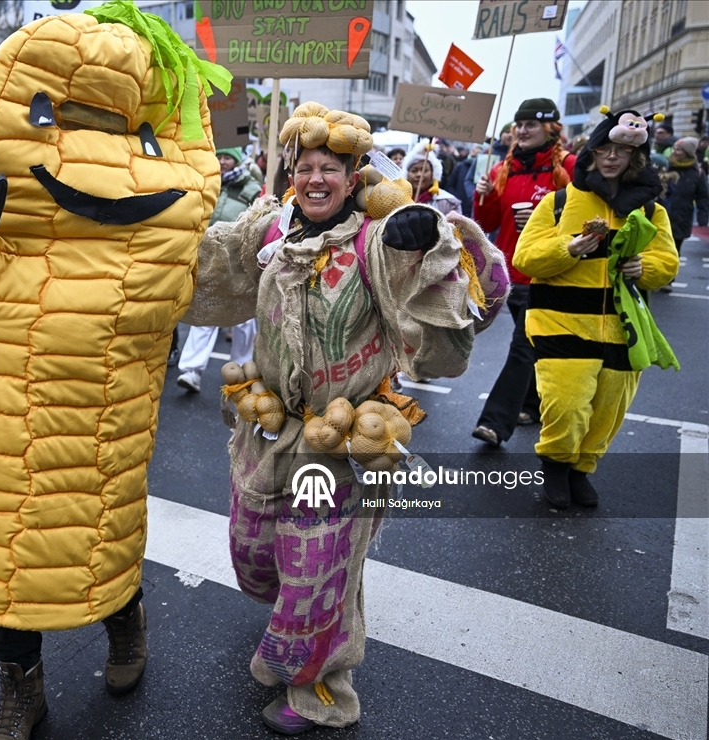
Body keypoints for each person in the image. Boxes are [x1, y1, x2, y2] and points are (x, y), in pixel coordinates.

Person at [0, 8, 230, 739]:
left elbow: (183, 276)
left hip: (103, 422)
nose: (94, 151)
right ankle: (18, 686)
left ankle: (128, 622)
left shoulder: (159, 245)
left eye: (129, 132)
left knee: (103, 537)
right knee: (2, 559)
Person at [184, 102, 507, 734]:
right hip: (267, 427)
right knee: (255, 558)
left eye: (330, 167)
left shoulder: (377, 242)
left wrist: (425, 251)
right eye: (305, 166)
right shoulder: (276, 232)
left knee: (319, 569)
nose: (315, 178)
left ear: (355, 173)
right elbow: (208, 270)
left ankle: (321, 690)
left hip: (343, 447)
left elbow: (445, 343)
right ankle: (297, 623)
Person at [514, 107, 678, 507]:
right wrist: (567, 248)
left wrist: (646, 268)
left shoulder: (651, 210)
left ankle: (582, 468)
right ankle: (555, 466)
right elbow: (524, 258)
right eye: (603, 148)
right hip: (560, 321)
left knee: (608, 409)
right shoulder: (558, 202)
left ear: (634, 158)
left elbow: (667, 262)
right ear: (591, 152)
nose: (610, 157)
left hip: (622, 327)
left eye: (620, 151)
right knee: (566, 405)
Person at [471, 98, 576, 447]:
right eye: (520, 124)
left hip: (548, 274)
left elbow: (585, 219)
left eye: (532, 124)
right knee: (533, 344)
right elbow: (486, 224)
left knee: (524, 345)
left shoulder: (570, 167)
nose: (523, 130)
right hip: (511, 275)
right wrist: (482, 197)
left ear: (551, 129)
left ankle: (495, 422)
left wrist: (547, 221)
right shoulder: (503, 168)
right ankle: (531, 405)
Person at [176, 146, 261, 393]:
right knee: (207, 311)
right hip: (209, 258)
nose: (223, 162)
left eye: (228, 158)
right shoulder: (206, 181)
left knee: (243, 318)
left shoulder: (251, 188)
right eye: (220, 157)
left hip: (240, 261)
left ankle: (241, 370)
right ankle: (191, 371)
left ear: (237, 161)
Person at [664, 137, 708, 262]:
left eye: (679, 150)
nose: (675, 152)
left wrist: (703, 218)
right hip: (662, 213)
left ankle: (670, 278)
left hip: (682, 217)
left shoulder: (697, 173)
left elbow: (702, 197)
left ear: (688, 153)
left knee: (674, 249)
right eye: (675, 148)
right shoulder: (666, 167)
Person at [402, 140, 462, 215]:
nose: (419, 174)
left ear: (433, 174)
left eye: (425, 170)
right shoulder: (397, 200)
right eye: (414, 170)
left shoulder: (449, 203)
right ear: (406, 174)